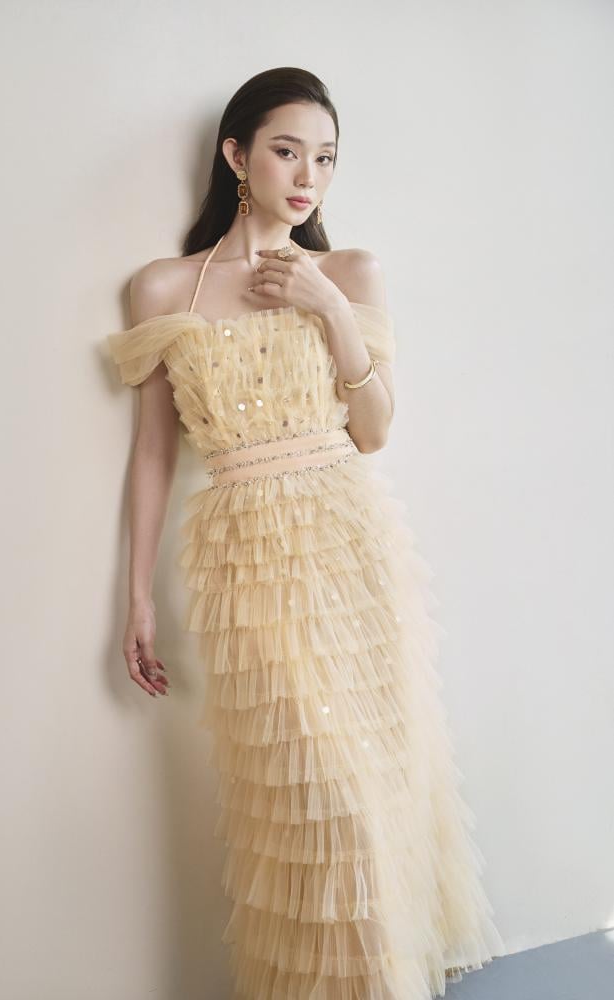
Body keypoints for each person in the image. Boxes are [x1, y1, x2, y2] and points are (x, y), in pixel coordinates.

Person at [107, 66, 505, 1000]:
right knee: (311, 796)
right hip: (242, 553)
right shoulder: (163, 288)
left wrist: (325, 306)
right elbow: (153, 452)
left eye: (325, 159)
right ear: (236, 155)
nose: (307, 177)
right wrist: (136, 598)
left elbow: (374, 430)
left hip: (350, 541)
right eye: (287, 151)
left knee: (376, 788)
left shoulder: (349, 273)